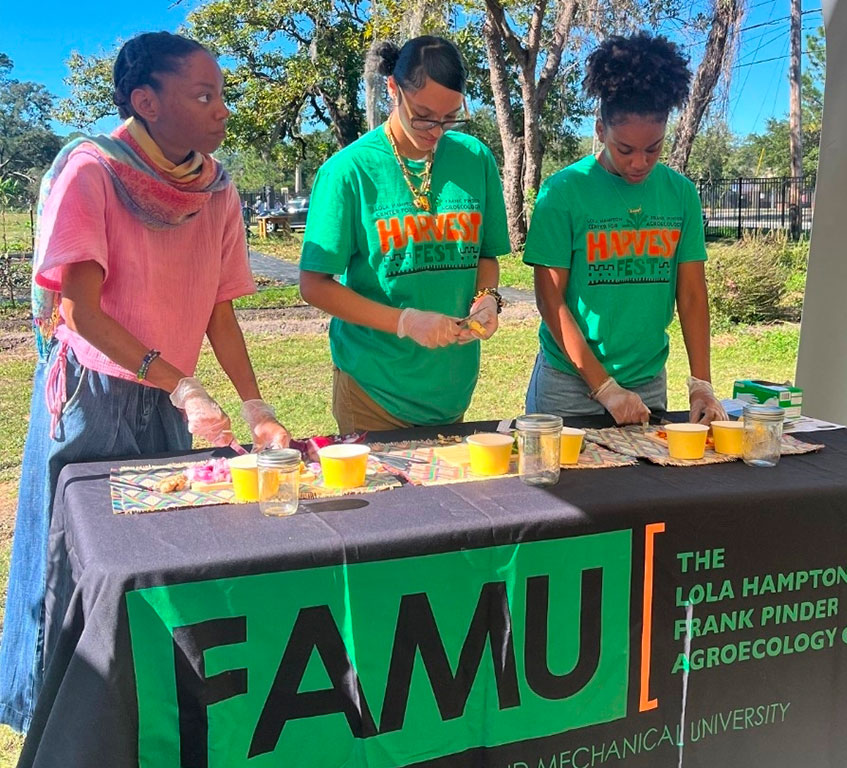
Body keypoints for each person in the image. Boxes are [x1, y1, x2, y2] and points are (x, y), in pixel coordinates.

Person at [0, 31, 291, 733]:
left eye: (222, 93)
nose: (221, 109)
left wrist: (253, 404)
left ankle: (143, 712)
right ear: (144, 101)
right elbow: (80, 312)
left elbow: (218, 307)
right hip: (93, 398)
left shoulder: (216, 188)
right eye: (203, 94)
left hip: (170, 396)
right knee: (77, 563)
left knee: (164, 551)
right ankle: (57, 720)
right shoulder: (91, 173)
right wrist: (182, 385)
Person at [300, 36, 510, 433]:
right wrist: (405, 321)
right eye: (424, 116)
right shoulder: (349, 170)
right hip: (373, 391)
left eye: (450, 117)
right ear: (394, 90)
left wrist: (488, 300)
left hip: (451, 388)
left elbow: (485, 256)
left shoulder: (475, 159)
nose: (437, 131)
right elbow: (314, 285)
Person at [523, 33, 727, 426]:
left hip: (647, 384)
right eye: (625, 149)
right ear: (600, 129)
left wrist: (702, 383)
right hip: (569, 387)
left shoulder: (679, 194)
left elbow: (691, 293)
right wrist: (604, 388)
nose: (639, 163)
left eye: (653, 148)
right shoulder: (563, 192)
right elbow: (551, 301)